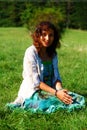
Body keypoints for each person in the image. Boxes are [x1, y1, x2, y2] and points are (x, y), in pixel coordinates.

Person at [7, 21, 85, 113]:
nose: (47, 38)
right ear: (38, 36)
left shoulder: (53, 54)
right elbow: (36, 83)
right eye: (44, 34)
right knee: (49, 103)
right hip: (34, 92)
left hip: (51, 91)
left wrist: (60, 91)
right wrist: (56, 93)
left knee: (77, 99)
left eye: (51, 35)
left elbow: (57, 78)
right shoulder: (31, 52)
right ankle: (26, 103)